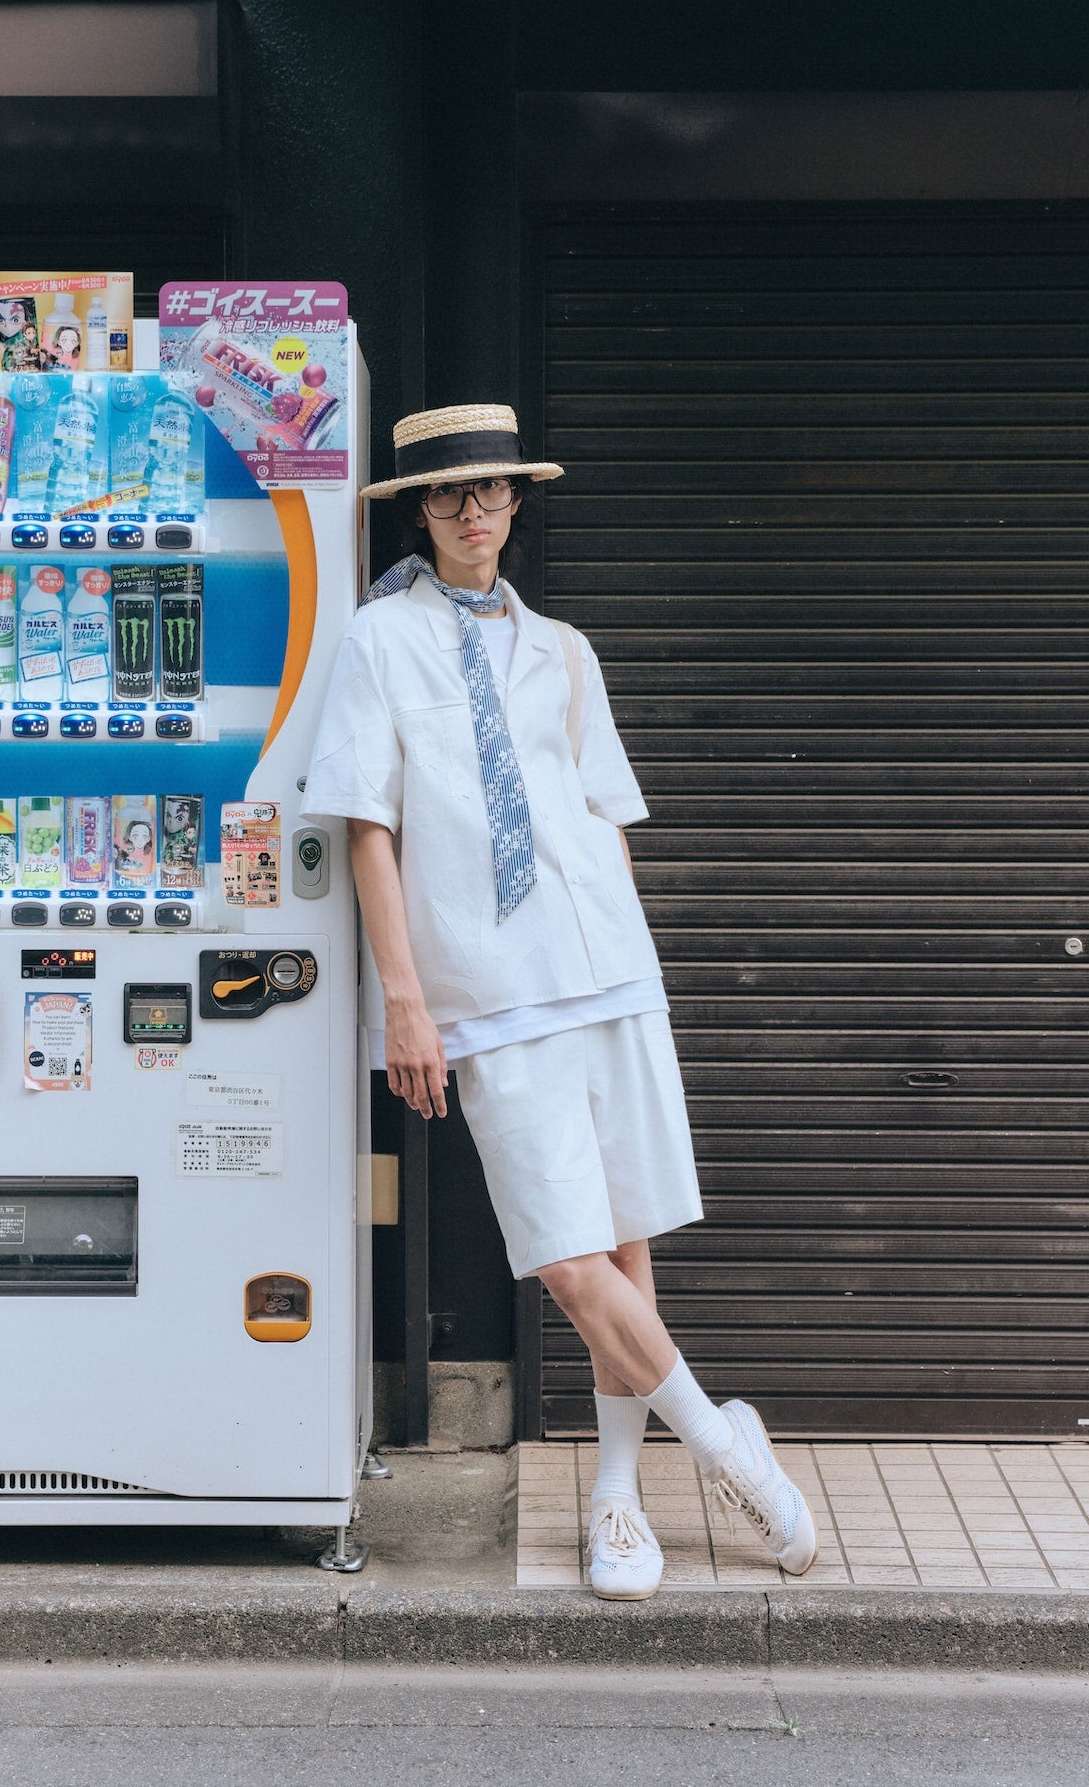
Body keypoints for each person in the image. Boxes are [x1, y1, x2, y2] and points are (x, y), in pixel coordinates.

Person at [302, 403, 817, 1600]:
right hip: (487, 992)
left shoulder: (567, 649)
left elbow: (605, 817)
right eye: (447, 497)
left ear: (517, 503)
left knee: (627, 1241)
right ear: (419, 513)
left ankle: (618, 1496)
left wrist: (639, 970)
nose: (472, 513)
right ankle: (726, 1447)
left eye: (490, 492)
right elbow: (367, 828)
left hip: (606, 968)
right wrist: (405, 1004)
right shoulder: (380, 641)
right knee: (571, 1262)